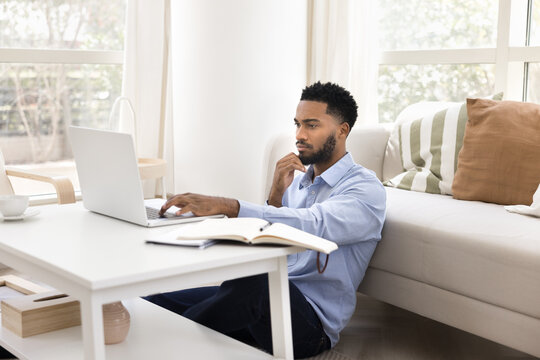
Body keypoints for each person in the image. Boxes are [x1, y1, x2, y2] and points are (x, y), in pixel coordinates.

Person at [145, 81, 386, 358]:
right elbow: (266, 239)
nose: (299, 135)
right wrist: (274, 195)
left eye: (311, 125)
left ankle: (169, 350)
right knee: (158, 300)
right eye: (297, 124)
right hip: (263, 306)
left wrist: (229, 206)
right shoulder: (297, 183)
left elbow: (315, 225)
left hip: (310, 325)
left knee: (258, 282)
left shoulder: (364, 189)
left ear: (342, 130)